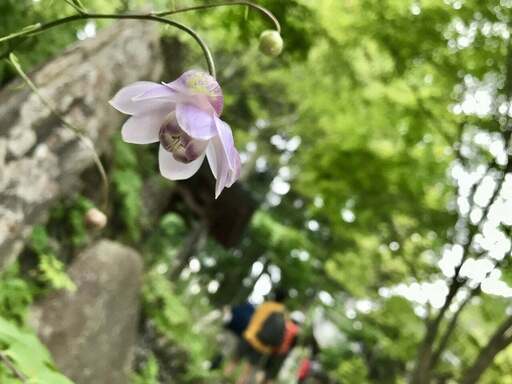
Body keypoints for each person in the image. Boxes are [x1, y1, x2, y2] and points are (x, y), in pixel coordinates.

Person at [236, 289, 288, 384]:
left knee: (234, 360)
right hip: (262, 344)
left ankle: (223, 378)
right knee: (248, 370)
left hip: (250, 335)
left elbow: (253, 318)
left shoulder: (266, 305)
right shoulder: (282, 312)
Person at [262, 311, 303, 384]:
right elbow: (293, 345)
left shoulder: (285, 324)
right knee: (272, 375)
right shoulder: (297, 331)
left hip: (273, 349)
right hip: (282, 354)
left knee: (265, 371)